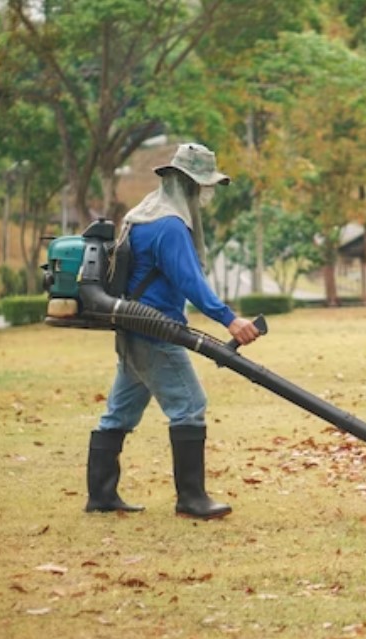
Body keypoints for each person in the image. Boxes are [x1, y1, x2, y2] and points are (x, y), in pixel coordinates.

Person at [84, 143, 260, 520]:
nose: (205, 194)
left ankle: (100, 496)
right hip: (157, 333)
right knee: (190, 406)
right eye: (202, 186)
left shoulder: (141, 215)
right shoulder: (169, 226)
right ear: (187, 184)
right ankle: (192, 499)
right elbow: (189, 281)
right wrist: (229, 319)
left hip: (131, 330)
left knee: (119, 414)